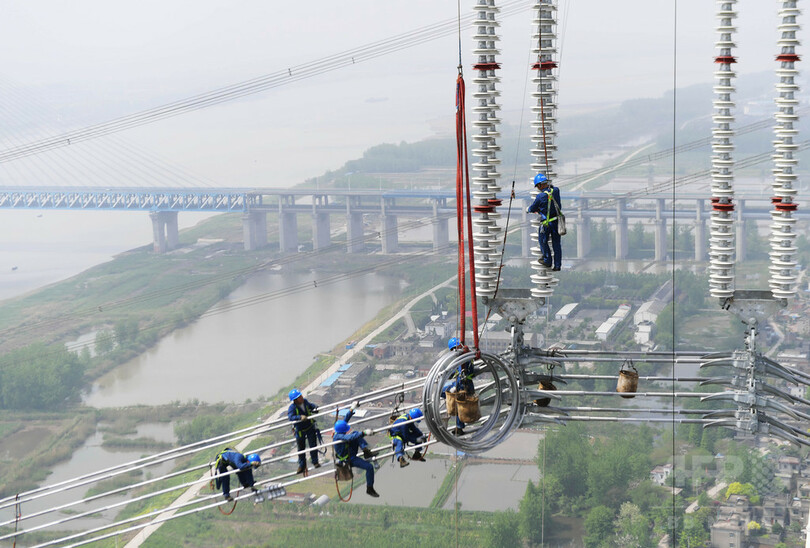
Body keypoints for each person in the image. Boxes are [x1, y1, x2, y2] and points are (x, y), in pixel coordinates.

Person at [333, 418, 379, 497]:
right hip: (349, 459)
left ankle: (366, 451)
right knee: (369, 467)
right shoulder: (338, 436)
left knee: (355, 433)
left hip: (349, 452)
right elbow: (349, 438)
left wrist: (351, 410)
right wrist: (364, 433)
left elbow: (344, 422)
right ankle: (369, 488)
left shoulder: (338, 432)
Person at [527, 173, 562, 271]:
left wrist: (529, 209)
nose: (537, 188)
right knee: (556, 244)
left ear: (540, 185)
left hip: (546, 224)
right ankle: (557, 265)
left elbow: (532, 208)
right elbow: (554, 189)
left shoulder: (540, 196)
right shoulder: (556, 191)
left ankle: (547, 260)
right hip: (556, 222)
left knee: (542, 241)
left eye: (537, 186)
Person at [443, 337, 475, 435]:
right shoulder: (463, 357)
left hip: (464, 385)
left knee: (458, 406)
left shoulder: (464, 359)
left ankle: (459, 427)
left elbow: (462, 373)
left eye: (454, 349)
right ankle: (459, 426)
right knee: (458, 405)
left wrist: (455, 387)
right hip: (463, 384)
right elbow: (457, 372)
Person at [287, 388, 321, 473]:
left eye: (301, 396)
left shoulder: (305, 402)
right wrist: (300, 417)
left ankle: (315, 462)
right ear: (295, 400)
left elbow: (311, 405)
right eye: (299, 397)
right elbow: (291, 417)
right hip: (300, 430)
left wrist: (315, 408)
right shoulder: (292, 407)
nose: (301, 397)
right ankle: (302, 466)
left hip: (309, 427)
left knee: (313, 445)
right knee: (301, 448)